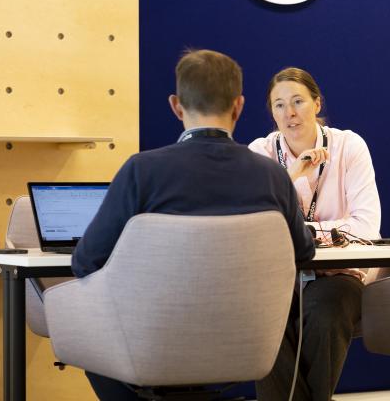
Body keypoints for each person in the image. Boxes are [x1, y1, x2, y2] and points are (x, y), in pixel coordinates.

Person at [71, 49, 315, 400]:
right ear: (238, 106)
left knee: (87, 323)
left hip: (156, 338)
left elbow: (85, 262)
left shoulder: (142, 171)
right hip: (249, 340)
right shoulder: (273, 177)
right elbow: (303, 253)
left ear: (176, 105)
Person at [249, 67, 382, 401]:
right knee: (263, 319)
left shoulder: (349, 146)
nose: (289, 113)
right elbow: (253, 226)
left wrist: (301, 232)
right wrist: (291, 176)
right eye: (278, 105)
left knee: (325, 311)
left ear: (317, 103)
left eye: (298, 101)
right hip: (280, 277)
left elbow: (366, 227)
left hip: (339, 275)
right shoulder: (260, 153)